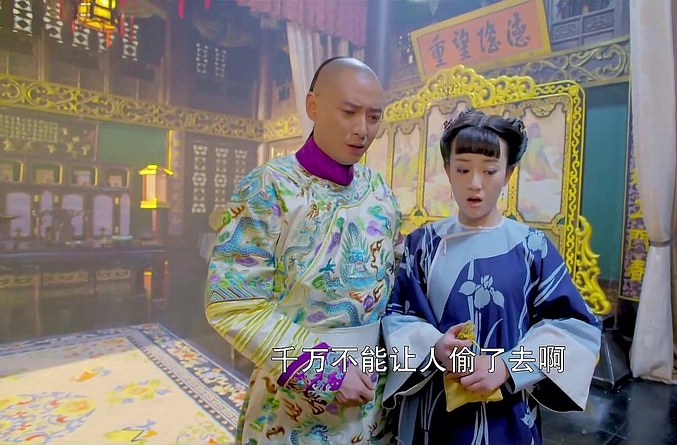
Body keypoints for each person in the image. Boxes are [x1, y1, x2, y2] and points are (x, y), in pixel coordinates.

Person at [205, 57, 401, 445]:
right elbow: (232, 303)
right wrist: (327, 371)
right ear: (313, 106)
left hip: (372, 395)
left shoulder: (380, 191)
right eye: (349, 112)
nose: (362, 130)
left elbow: (392, 287)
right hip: (293, 398)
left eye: (374, 117)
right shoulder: (269, 187)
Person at [381, 109, 601, 445]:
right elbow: (398, 316)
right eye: (463, 169)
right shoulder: (422, 244)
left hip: (508, 415)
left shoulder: (533, 247)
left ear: (509, 172)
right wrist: (435, 346)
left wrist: (510, 367)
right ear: (447, 170)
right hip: (435, 411)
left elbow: (575, 329)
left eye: (490, 170)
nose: (475, 183)